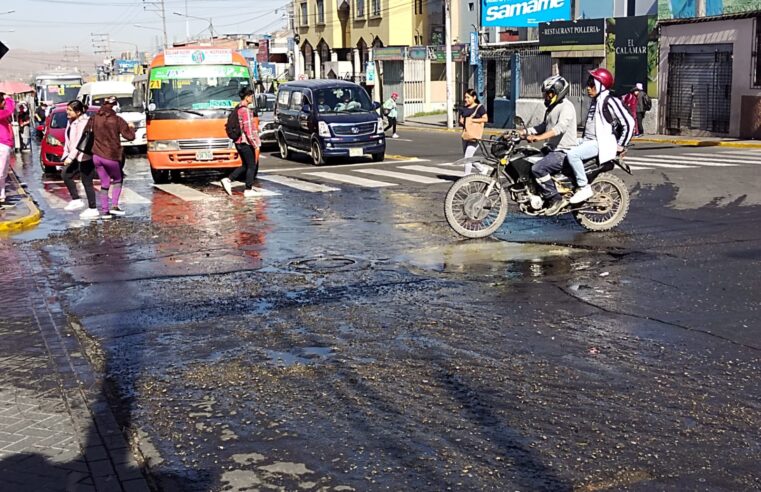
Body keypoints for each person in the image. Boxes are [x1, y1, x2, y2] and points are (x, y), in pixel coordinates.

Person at [564, 68, 634, 206]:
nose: (588, 88)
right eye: (588, 85)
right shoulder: (596, 100)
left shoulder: (609, 100)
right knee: (564, 146)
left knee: (573, 155)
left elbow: (629, 122)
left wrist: (621, 144)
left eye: (592, 85)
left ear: (601, 85)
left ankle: (584, 188)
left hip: (600, 143)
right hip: (588, 140)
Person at [517, 75, 577, 215]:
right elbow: (543, 126)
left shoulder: (566, 107)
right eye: (546, 93)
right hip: (551, 149)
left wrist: (538, 138)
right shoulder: (552, 108)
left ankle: (555, 198)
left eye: (549, 93)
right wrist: (523, 132)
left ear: (558, 92)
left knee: (538, 168)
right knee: (526, 158)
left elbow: (559, 128)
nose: (547, 96)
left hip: (563, 151)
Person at [89, 95, 136, 218]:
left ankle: (105, 211)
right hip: (111, 155)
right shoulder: (117, 120)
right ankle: (114, 206)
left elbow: (86, 133)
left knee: (104, 183)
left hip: (96, 156)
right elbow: (130, 137)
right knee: (117, 180)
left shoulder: (94, 119)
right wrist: (131, 128)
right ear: (114, 106)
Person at [60, 100, 99, 219]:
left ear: (78, 112)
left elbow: (79, 141)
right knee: (66, 174)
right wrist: (66, 154)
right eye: (67, 109)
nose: (67, 112)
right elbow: (68, 140)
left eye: (70, 110)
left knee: (87, 182)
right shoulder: (71, 121)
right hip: (75, 156)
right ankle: (76, 199)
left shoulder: (84, 122)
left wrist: (70, 158)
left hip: (84, 156)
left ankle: (93, 208)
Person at [221, 88, 261, 198]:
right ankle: (248, 189)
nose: (252, 98)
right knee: (252, 165)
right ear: (247, 97)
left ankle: (228, 180)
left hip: (238, 141)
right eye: (251, 96)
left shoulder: (238, 108)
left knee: (245, 165)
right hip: (245, 142)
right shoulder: (245, 111)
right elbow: (248, 130)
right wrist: (255, 144)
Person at [459, 89, 489, 174]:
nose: (466, 99)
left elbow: (485, 119)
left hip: (475, 135)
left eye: (468, 97)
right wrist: (462, 121)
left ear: (474, 97)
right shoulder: (464, 108)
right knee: (467, 157)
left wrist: (472, 120)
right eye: (465, 97)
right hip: (466, 134)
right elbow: (461, 120)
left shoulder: (479, 107)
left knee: (467, 158)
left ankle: (466, 177)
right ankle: (482, 169)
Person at [0, 93, 14, 205]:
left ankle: (2, 194)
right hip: (2, 145)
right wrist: (8, 99)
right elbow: (9, 110)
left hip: (5, 144)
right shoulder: (2, 113)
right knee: (1, 172)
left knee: (3, 172)